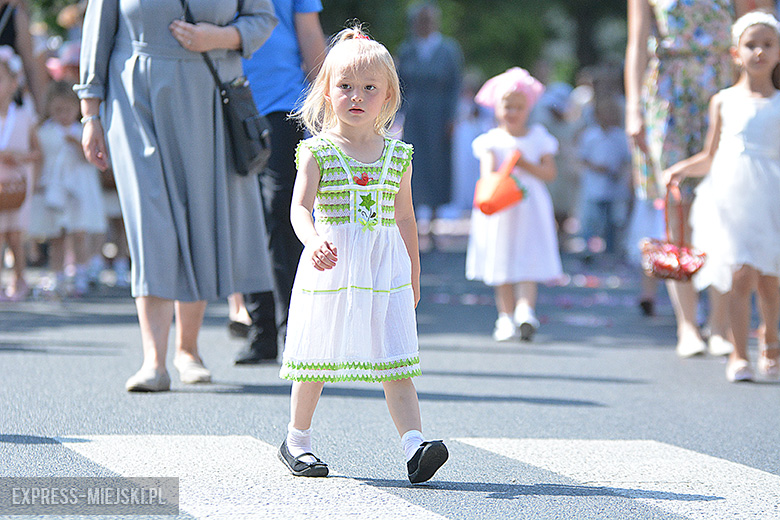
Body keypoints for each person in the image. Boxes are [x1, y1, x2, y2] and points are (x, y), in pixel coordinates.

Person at [77, 0, 278, 392]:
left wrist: (216, 37)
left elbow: (262, 18)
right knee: (150, 221)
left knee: (200, 217)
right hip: (134, 99)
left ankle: (188, 349)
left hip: (206, 96)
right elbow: (97, 31)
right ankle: (154, 360)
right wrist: (90, 115)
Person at [277, 26, 448, 484]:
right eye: (346, 86)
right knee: (317, 355)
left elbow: (406, 218)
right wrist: (313, 242)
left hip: (383, 268)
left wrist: (414, 272)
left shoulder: (398, 154)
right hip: (331, 265)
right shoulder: (318, 152)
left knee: (395, 359)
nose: (357, 96)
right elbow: (299, 208)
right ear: (327, 92)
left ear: (388, 95)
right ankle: (298, 439)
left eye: (369, 88)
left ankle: (414, 445)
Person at [625, 0, 773, 358]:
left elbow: (759, 28)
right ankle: (687, 325)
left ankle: (719, 324)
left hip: (724, 84)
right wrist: (633, 108)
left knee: (727, 202)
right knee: (677, 204)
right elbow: (637, 40)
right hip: (668, 91)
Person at [663, 11, 780, 382]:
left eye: (767, 44)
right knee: (740, 274)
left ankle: (771, 336)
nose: (759, 52)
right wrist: (680, 169)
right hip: (731, 197)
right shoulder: (723, 101)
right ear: (735, 52)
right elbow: (710, 156)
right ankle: (739, 353)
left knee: (770, 279)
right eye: (751, 45)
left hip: (770, 196)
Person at [234, 0, 327, 364]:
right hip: (229, 101)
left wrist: (324, 105)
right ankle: (262, 331)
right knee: (244, 214)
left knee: (281, 212)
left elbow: (309, 35)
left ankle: (294, 329)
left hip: (282, 104)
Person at [465, 67, 562, 342]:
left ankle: (525, 310)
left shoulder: (538, 137)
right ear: (497, 108)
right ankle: (505, 316)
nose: (513, 112)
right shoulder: (491, 141)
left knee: (528, 257)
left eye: (519, 107)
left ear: (528, 109)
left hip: (530, 206)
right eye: (507, 106)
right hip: (502, 205)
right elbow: (488, 177)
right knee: (502, 258)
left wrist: (524, 164)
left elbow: (549, 173)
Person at [28, 80, 106, 297]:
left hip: (79, 191)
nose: (63, 115)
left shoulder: (83, 131)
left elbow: (93, 161)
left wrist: (77, 146)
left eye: (68, 110)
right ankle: (58, 275)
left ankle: (80, 273)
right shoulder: (44, 131)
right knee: (56, 236)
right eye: (58, 110)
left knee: (79, 233)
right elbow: (41, 160)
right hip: (54, 190)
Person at [396, 1, 463, 236]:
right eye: (420, 20)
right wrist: (395, 117)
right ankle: (412, 223)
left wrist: (453, 117)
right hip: (414, 115)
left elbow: (456, 85)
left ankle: (434, 223)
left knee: (437, 165)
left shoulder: (448, 49)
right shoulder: (407, 49)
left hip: (439, 116)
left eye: (428, 20)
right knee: (412, 164)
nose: (424, 24)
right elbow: (399, 85)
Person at [0, 45, 39, 301]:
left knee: (16, 235)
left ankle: (20, 278)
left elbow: (38, 151)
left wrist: (20, 157)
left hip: (18, 184)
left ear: (14, 82)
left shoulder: (24, 115)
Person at [577, 92, 632, 262]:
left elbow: (626, 158)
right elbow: (581, 158)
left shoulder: (620, 136)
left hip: (613, 186)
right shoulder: (590, 135)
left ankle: (610, 253)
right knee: (591, 219)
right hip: (594, 186)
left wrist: (619, 172)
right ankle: (588, 250)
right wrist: (597, 168)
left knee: (611, 221)